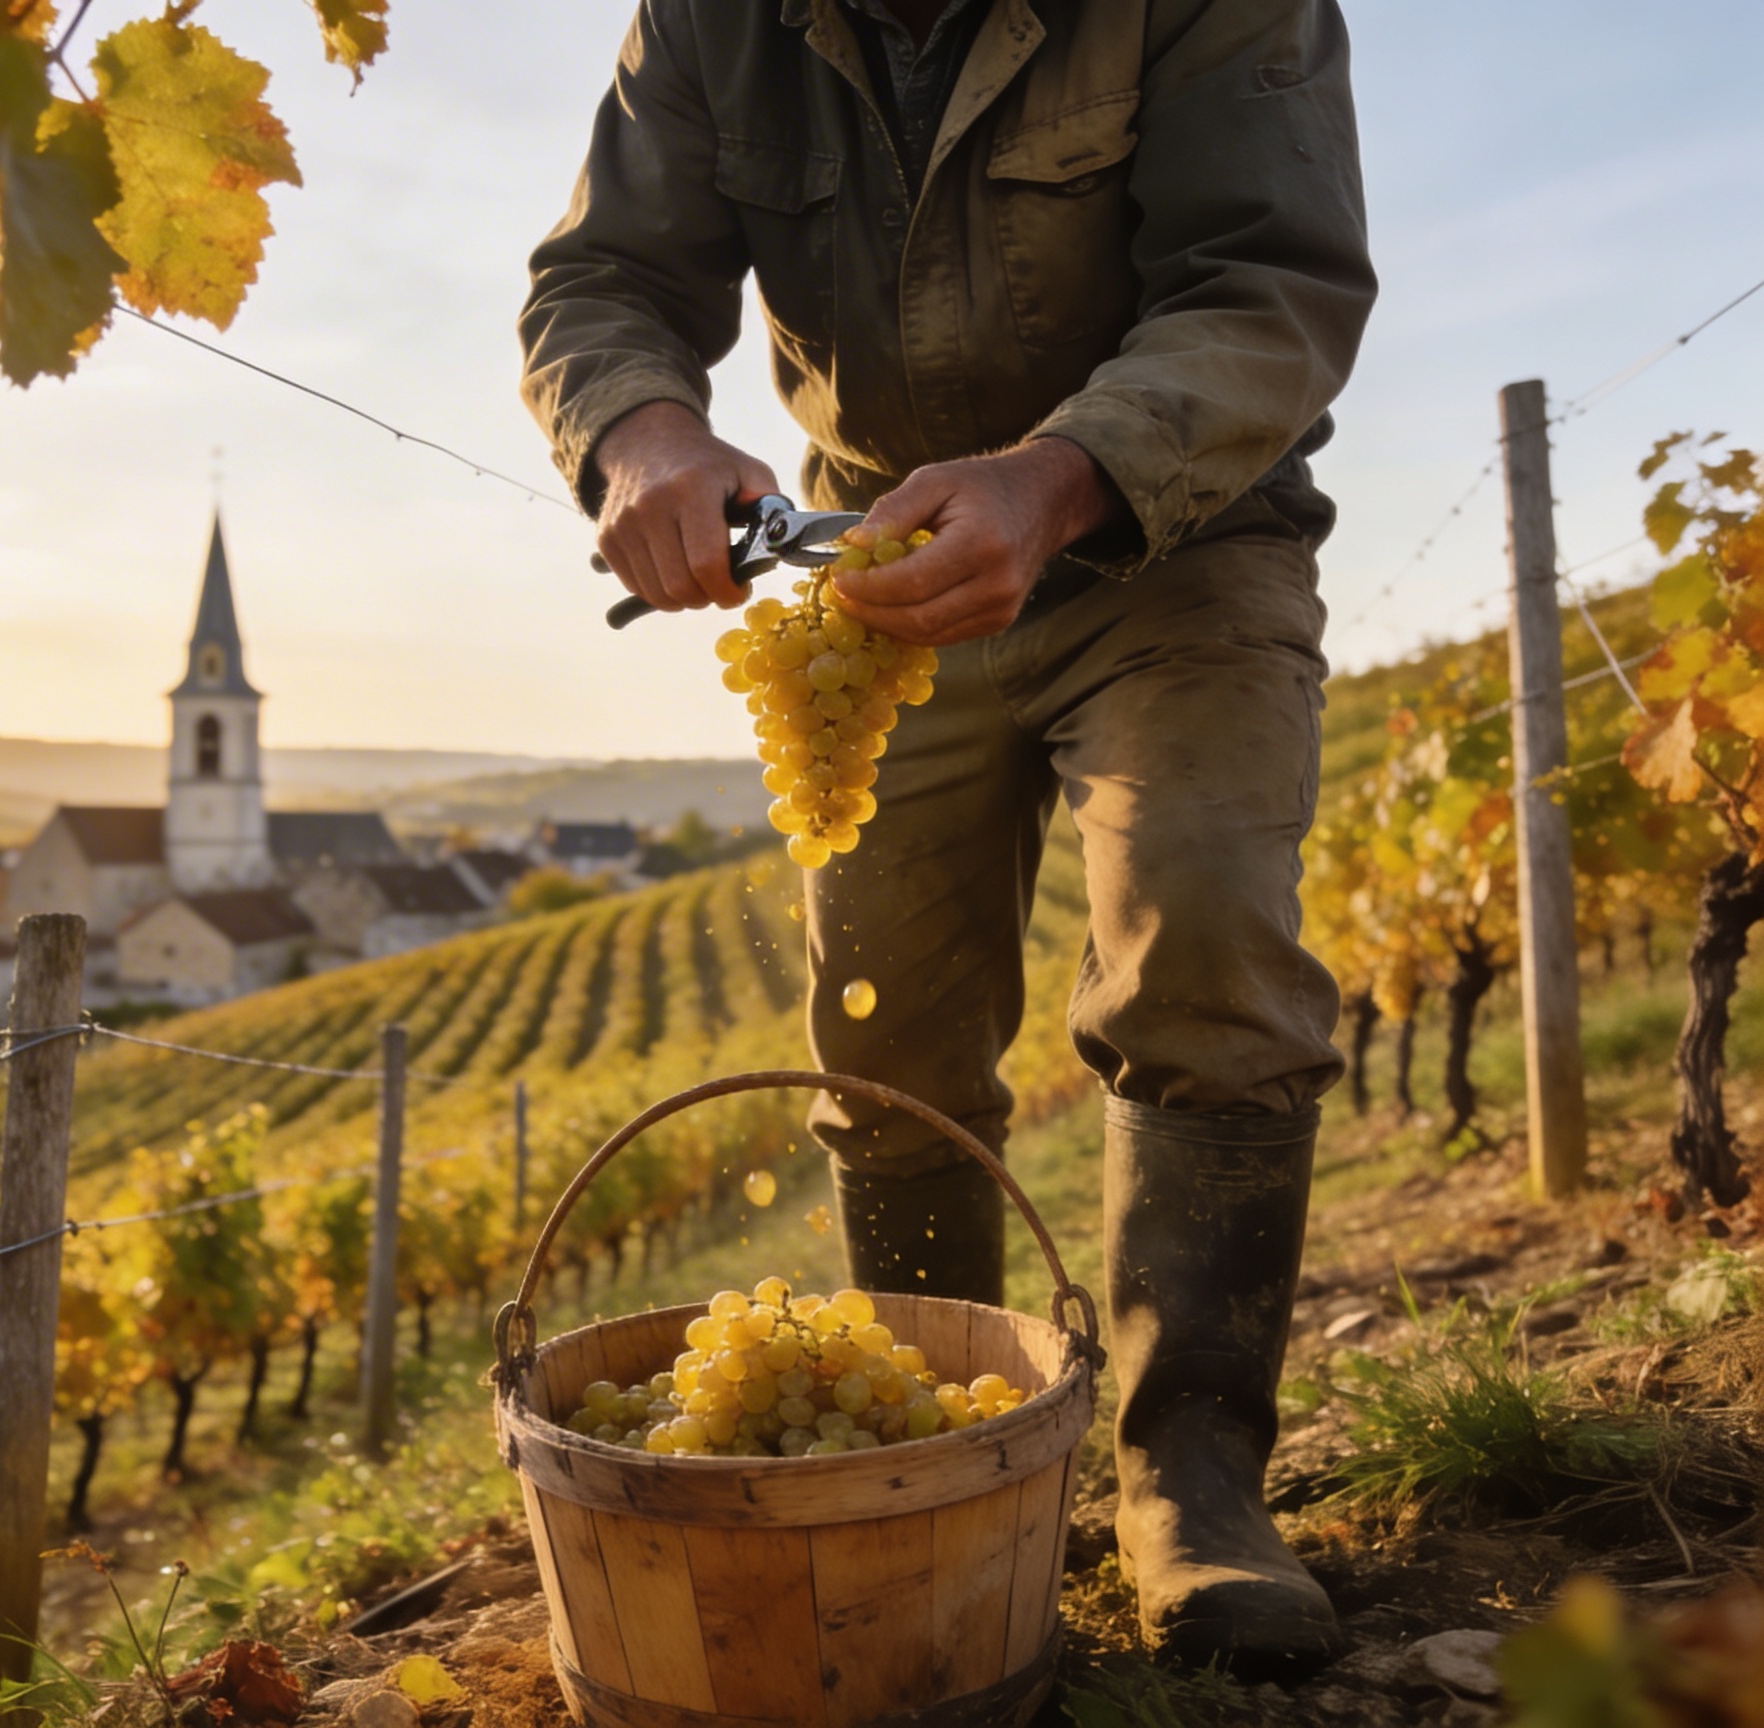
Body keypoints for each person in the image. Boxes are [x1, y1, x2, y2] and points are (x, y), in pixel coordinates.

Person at [518, 0, 1377, 1674]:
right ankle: (942, 1460)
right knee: (884, 1029)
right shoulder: (710, 19)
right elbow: (605, 280)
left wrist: (1059, 480)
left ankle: (1190, 1487)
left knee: (1199, 933)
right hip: (880, 558)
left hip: (1181, 540)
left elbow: (1270, 285)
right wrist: (642, 430)